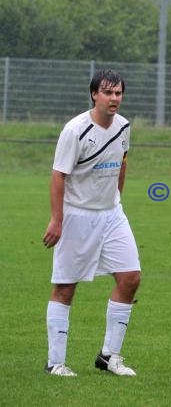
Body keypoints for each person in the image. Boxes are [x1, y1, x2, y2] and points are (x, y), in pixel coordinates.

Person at [42, 69, 141, 377]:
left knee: (131, 278)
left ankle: (109, 356)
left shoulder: (124, 126)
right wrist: (57, 219)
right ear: (94, 95)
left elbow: (123, 162)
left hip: (112, 213)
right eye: (108, 93)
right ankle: (55, 362)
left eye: (119, 93)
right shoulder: (75, 130)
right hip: (77, 215)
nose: (115, 98)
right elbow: (59, 174)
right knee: (65, 287)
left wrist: (116, 199)